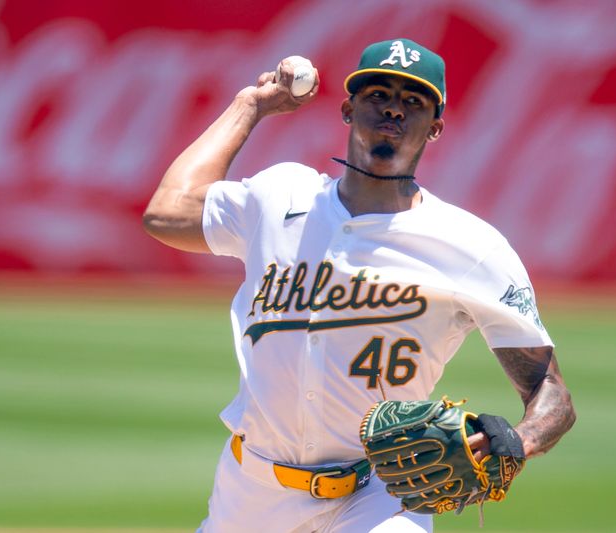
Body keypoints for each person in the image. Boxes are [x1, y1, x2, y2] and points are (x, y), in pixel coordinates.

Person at [143, 38, 575, 533]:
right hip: (249, 493)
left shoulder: (471, 246)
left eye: (414, 100)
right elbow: (166, 213)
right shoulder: (279, 197)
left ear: (435, 127)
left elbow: (550, 391)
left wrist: (519, 440)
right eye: (378, 93)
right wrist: (251, 106)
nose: (393, 106)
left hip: (381, 495)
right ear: (348, 109)